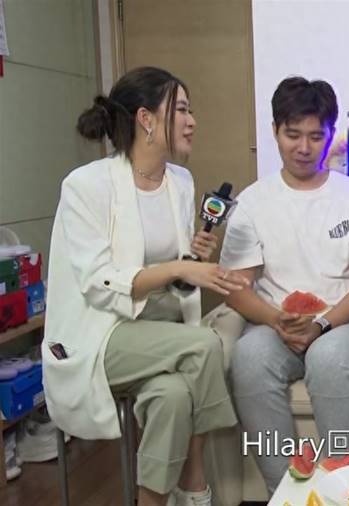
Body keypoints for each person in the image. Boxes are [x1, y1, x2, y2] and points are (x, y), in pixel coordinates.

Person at [42, 67, 244, 506]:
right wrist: (178, 268)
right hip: (101, 334)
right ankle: (196, 485)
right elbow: (99, 283)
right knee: (205, 345)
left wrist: (192, 263)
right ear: (146, 119)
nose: (192, 121)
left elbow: (176, 280)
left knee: (173, 397)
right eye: (182, 110)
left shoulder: (179, 183)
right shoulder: (87, 185)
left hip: (157, 331)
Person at [221, 76, 349, 494]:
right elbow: (237, 287)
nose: (304, 147)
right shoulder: (252, 202)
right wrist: (277, 320)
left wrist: (321, 324)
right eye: (292, 135)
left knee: (328, 360)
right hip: (276, 324)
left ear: (330, 134)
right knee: (248, 357)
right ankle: (286, 493)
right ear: (275, 130)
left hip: (342, 323)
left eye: (315, 136)